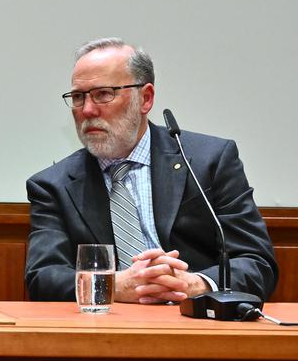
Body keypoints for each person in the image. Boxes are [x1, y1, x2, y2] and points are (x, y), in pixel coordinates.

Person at [25, 38, 277, 303]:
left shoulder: (209, 161)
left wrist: (196, 284)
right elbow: (43, 277)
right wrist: (113, 284)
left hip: (198, 325)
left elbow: (257, 262)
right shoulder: (53, 185)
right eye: (78, 97)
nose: (87, 110)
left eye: (103, 94)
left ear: (145, 98)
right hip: (106, 328)